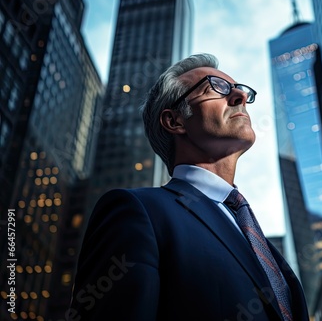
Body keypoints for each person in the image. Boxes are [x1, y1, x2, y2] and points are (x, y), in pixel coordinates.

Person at [69, 53, 309, 320]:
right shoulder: (138, 212)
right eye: (216, 87)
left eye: (239, 89)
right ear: (174, 121)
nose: (240, 96)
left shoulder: (258, 238)